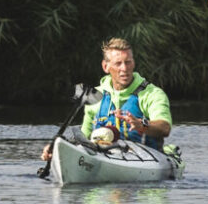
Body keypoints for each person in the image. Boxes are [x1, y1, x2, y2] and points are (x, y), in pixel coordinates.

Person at [42, 37, 173, 159]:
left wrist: (141, 124)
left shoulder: (152, 94)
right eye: (118, 63)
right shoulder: (94, 96)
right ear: (106, 66)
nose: (124, 68)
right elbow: (84, 138)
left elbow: (164, 128)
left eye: (128, 62)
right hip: (107, 157)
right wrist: (60, 148)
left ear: (133, 63)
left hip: (147, 158)